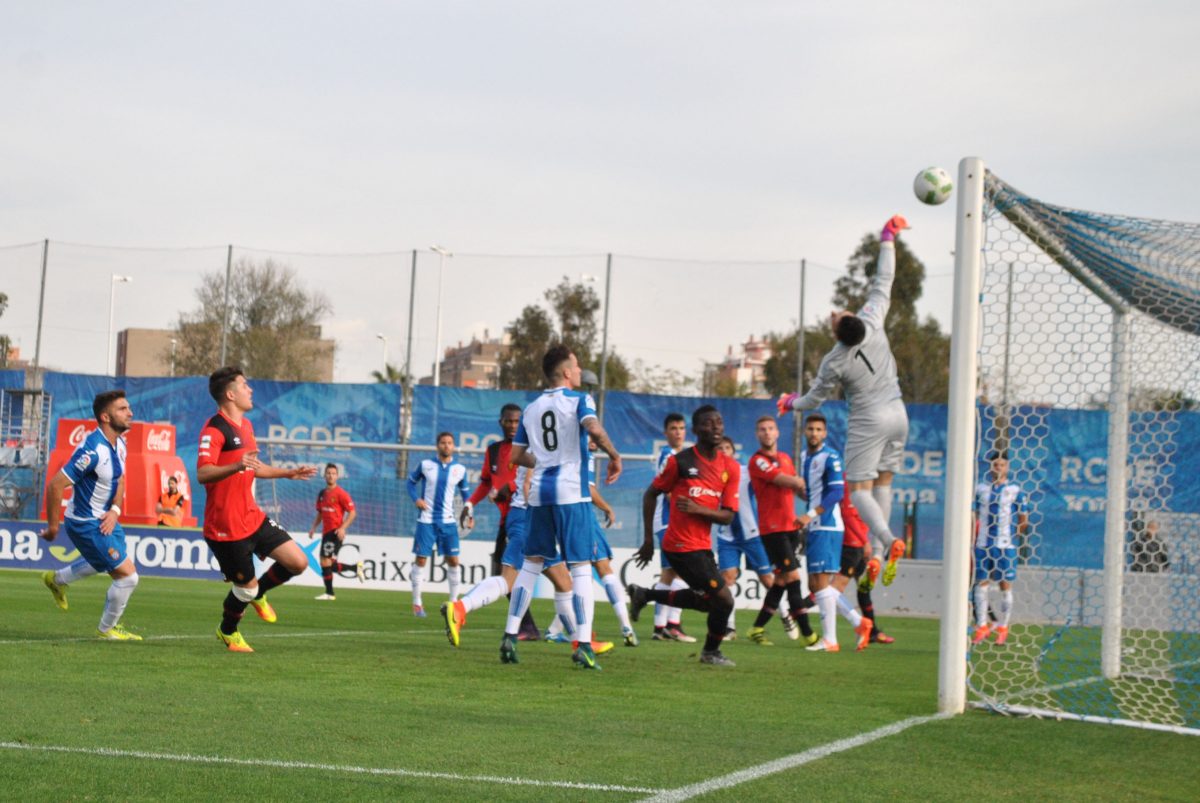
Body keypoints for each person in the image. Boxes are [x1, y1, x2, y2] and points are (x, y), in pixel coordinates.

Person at [778, 214, 911, 588]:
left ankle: (886, 541)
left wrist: (790, 403)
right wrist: (888, 239)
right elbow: (884, 280)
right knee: (884, 481)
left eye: (835, 314)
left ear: (838, 331)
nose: (836, 312)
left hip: (869, 419)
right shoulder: (873, 319)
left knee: (860, 490)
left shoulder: (834, 360)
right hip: (899, 413)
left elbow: (813, 398)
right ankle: (880, 553)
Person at [498, 344, 622, 670]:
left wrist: (541, 461)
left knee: (531, 564)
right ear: (567, 372)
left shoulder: (531, 409)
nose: (580, 372)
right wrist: (614, 455)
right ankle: (583, 643)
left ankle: (509, 636)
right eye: (577, 367)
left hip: (538, 495)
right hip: (571, 494)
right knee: (581, 567)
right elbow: (593, 428)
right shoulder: (580, 400)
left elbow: (515, 458)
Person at [199, 366, 317, 653]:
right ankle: (228, 631)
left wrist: (287, 473)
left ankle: (259, 593)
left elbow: (254, 468)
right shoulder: (214, 429)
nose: (250, 389)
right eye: (244, 385)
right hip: (225, 527)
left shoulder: (247, 426)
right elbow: (204, 473)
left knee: (298, 563)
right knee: (246, 589)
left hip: (251, 516)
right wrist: (236, 465)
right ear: (230, 394)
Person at [442, 462, 613, 656]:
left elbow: (520, 480)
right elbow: (527, 484)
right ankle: (460, 608)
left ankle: (581, 642)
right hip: (528, 518)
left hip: (526, 517)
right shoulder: (542, 446)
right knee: (509, 580)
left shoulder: (540, 444)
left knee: (564, 582)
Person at [628, 405, 741, 667]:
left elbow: (728, 516)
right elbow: (650, 494)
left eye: (719, 423)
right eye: (708, 423)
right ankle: (711, 652)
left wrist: (698, 508)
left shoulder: (730, 468)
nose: (715, 428)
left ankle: (645, 594)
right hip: (679, 545)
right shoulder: (680, 462)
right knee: (724, 600)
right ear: (696, 430)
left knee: (706, 603)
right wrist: (647, 540)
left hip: (701, 546)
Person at [40, 390, 142, 640]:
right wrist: (53, 528)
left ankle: (56, 579)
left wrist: (115, 511)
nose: (130, 412)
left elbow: (121, 480)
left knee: (103, 563)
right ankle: (106, 630)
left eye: (128, 408)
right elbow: (55, 485)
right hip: (85, 523)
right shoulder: (92, 450)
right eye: (123, 409)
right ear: (106, 417)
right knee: (128, 576)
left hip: (106, 519)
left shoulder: (121, 444)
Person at [461, 403, 539, 639]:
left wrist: (510, 488)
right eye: (508, 421)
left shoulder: (529, 449)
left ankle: (532, 627)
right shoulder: (493, 451)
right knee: (510, 575)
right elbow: (486, 482)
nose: (513, 425)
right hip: (507, 520)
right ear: (501, 422)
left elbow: (530, 477)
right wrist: (469, 504)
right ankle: (531, 627)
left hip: (524, 518)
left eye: (517, 421)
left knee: (507, 577)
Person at [797, 413, 873, 653]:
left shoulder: (831, 457)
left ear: (825, 433)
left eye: (819, 429)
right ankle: (858, 622)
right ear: (805, 432)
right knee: (815, 583)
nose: (814, 433)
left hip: (827, 524)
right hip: (815, 525)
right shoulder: (804, 457)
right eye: (810, 429)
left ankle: (831, 639)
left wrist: (810, 513)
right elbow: (814, 492)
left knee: (820, 583)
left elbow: (836, 494)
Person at [745, 415, 817, 646]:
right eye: (762, 429)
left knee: (781, 582)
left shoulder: (785, 458)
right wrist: (799, 482)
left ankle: (757, 628)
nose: (767, 433)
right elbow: (782, 480)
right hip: (773, 529)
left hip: (791, 526)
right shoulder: (757, 461)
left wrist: (805, 493)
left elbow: (796, 487)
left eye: (770, 429)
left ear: (777, 433)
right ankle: (809, 635)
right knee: (794, 578)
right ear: (757, 434)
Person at [713, 435, 778, 641]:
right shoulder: (712, 475)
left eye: (727, 447)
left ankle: (788, 616)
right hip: (727, 536)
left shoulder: (745, 472)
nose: (723, 451)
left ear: (733, 451)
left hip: (752, 534)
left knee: (769, 581)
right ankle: (729, 628)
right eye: (720, 448)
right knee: (727, 580)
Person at [407, 432, 473, 617]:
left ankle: (454, 603)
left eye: (449, 443)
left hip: (448, 522)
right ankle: (417, 604)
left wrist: (469, 513)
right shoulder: (426, 465)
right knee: (421, 560)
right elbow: (410, 483)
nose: (446, 446)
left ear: (453, 446)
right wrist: (416, 499)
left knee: (453, 560)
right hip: (426, 520)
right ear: (437, 445)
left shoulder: (460, 469)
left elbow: (467, 494)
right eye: (443, 443)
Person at [972, 451, 1028, 646]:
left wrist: (1012, 537)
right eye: (995, 464)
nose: (998, 467)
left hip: (1005, 546)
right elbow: (972, 514)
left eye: (1001, 464)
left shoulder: (1015, 490)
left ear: (1007, 467)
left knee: (1005, 586)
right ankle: (982, 626)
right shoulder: (980, 489)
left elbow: (1023, 519)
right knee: (981, 583)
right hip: (983, 544)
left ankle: (1003, 627)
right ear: (990, 466)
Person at [649, 412, 696, 642]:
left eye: (681, 428)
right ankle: (669, 626)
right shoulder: (668, 455)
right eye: (673, 428)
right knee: (680, 572)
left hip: (671, 522)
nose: (678, 432)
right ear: (666, 433)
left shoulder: (680, 456)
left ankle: (663, 627)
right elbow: (668, 492)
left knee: (670, 573)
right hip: (669, 521)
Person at [308, 463, 362, 600]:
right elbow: (320, 513)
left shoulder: (341, 494)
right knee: (327, 564)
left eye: (333, 473)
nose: (331, 476)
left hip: (335, 532)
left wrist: (343, 528)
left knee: (325, 562)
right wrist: (314, 527)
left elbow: (352, 513)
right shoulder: (322, 494)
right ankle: (355, 569)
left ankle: (330, 593)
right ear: (324, 475)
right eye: (328, 473)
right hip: (326, 532)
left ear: (337, 476)